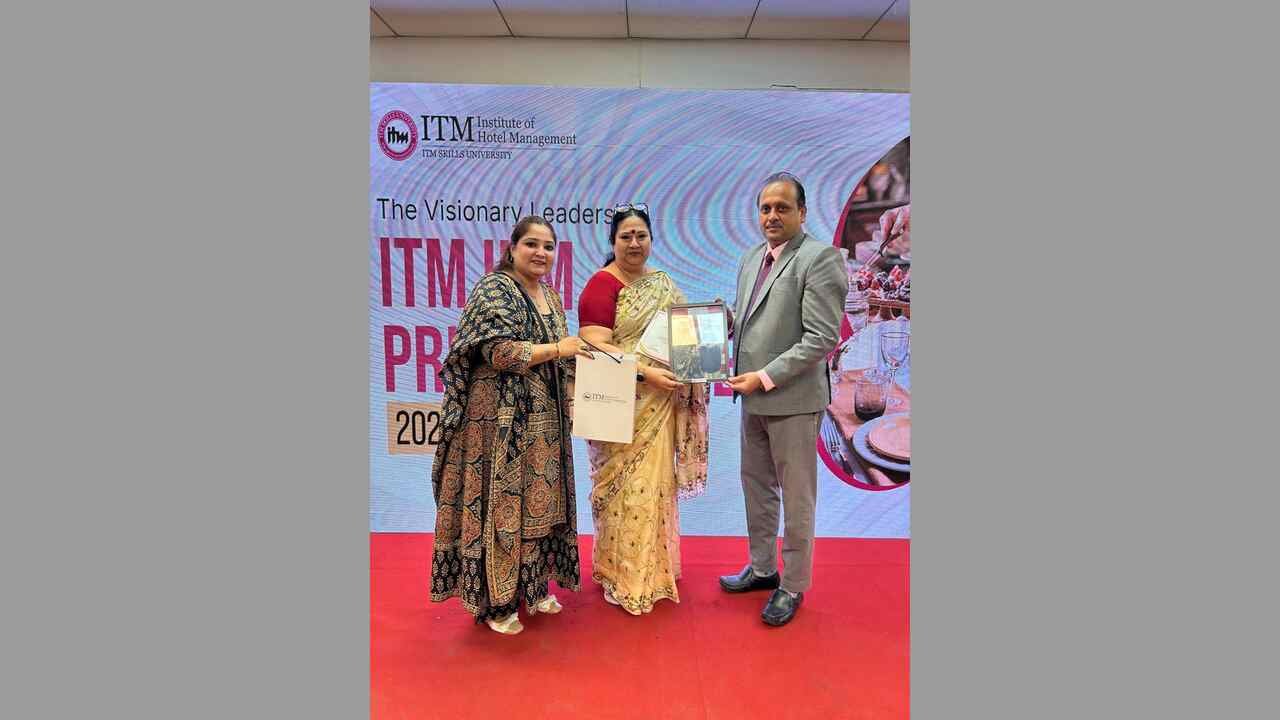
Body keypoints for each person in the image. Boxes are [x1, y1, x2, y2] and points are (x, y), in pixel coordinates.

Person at [428, 216, 591, 635]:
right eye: (532, 244)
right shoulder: (494, 289)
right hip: (501, 425)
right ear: (513, 247)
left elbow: (564, 358)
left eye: (549, 246)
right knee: (503, 507)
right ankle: (498, 604)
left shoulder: (550, 296)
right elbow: (499, 354)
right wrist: (559, 348)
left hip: (546, 424)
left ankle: (534, 587)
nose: (541, 253)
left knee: (542, 503)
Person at [721, 172, 847, 626]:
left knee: (796, 499)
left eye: (782, 207)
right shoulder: (752, 257)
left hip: (792, 400)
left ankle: (792, 585)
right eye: (765, 208)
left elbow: (822, 338)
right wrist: (718, 322)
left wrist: (764, 377)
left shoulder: (820, 258)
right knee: (756, 487)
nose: (772, 216)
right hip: (752, 399)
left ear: (802, 212)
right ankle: (762, 569)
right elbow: (749, 319)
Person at [577, 203, 709, 615]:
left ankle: (650, 572)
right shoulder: (601, 286)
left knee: (653, 489)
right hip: (618, 405)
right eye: (626, 236)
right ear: (613, 241)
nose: (634, 243)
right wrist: (645, 373)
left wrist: (706, 344)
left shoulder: (663, 284)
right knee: (622, 491)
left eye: (641, 236)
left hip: (660, 404)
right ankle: (621, 575)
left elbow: (686, 338)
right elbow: (595, 348)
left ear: (651, 239)